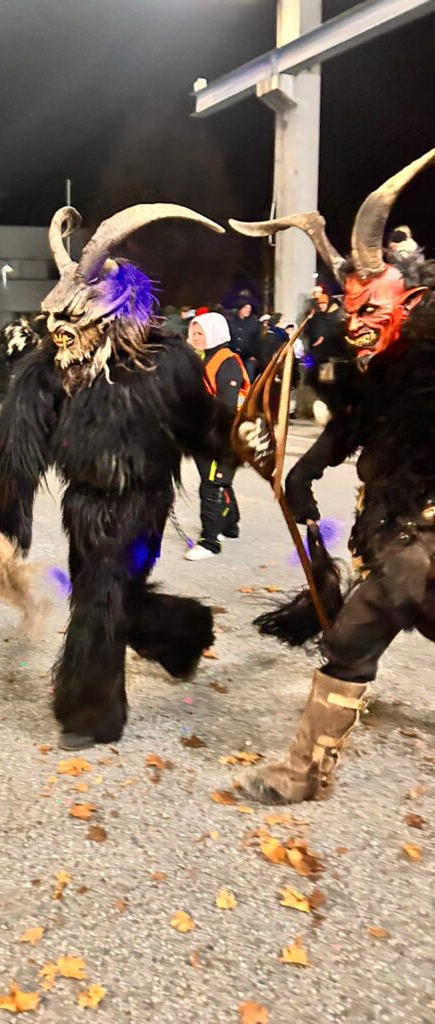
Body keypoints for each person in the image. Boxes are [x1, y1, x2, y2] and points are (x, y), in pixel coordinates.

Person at [0, 201, 230, 750]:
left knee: (102, 599)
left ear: (112, 315)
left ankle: (90, 713)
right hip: (82, 507)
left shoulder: (166, 362)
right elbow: (18, 452)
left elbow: (205, 431)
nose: (62, 341)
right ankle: (183, 632)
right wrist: (2, 528)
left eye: (75, 327)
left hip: (143, 505)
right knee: (112, 600)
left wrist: (245, 441)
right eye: (56, 329)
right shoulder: (46, 372)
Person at [231, 148, 435, 804]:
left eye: (372, 312)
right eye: (352, 313)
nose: (358, 326)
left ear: (418, 299)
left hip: (421, 533)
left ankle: (303, 773)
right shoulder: (375, 360)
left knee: (360, 626)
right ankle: (306, 772)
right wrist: (305, 471)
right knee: (362, 631)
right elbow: (352, 421)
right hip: (396, 526)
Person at [185, 311, 249, 560]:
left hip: (221, 435)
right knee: (219, 480)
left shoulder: (226, 362)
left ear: (214, 334)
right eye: (194, 332)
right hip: (204, 432)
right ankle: (230, 525)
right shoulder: (204, 358)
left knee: (212, 485)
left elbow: (227, 406)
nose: (195, 337)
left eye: (200, 333)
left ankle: (210, 541)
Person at [228, 299, 261, 382]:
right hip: (234, 356)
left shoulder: (254, 323)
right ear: (240, 309)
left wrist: (255, 355)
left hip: (249, 357)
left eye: (249, 308)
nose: (248, 309)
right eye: (246, 307)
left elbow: (258, 340)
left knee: (249, 377)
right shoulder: (231, 322)